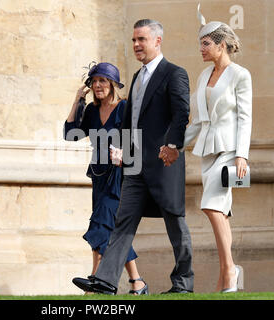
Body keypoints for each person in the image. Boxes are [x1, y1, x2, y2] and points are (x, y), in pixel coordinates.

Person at [72, 19, 194, 295]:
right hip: (134, 167)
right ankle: (105, 280)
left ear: (157, 41)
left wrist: (173, 144)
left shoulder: (175, 73)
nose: (137, 45)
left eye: (142, 39)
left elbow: (181, 114)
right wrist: (123, 152)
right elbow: (129, 122)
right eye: (134, 40)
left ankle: (183, 283)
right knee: (122, 221)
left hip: (164, 163)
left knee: (175, 222)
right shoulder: (138, 77)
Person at [162, 5, 252, 293]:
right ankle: (228, 275)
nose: (201, 49)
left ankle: (229, 271)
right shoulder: (202, 77)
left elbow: (244, 117)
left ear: (221, 44)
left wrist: (242, 154)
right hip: (207, 152)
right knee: (220, 212)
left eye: (206, 43)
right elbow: (199, 122)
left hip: (229, 151)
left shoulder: (240, 75)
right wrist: (175, 145)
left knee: (211, 206)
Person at [63, 62, 147, 295]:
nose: (98, 85)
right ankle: (137, 282)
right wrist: (78, 100)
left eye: (103, 80)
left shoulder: (124, 108)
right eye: (94, 81)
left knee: (100, 226)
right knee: (111, 229)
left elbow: (139, 142)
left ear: (112, 84)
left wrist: (124, 155)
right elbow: (70, 134)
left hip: (120, 177)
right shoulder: (90, 110)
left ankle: (95, 283)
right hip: (99, 176)